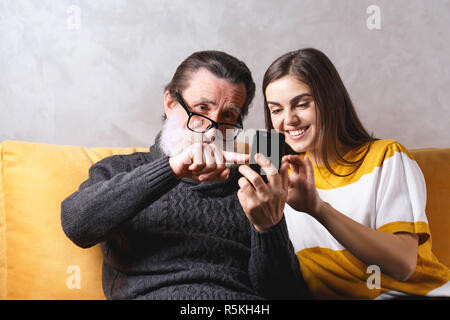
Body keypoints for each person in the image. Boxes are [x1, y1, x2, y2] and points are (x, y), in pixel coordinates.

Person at [60, 50, 310, 300]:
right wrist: (173, 168)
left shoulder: (253, 186)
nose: (211, 129)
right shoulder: (121, 169)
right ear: (170, 103)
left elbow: (286, 295)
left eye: (228, 116)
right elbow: (77, 224)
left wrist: (268, 227)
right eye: (202, 108)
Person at [247, 47, 450, 299]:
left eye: (302, 104)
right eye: (276, 110)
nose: (289, 120)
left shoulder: (385, 156)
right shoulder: (279, 178)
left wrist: (318, 209)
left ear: (330, 101)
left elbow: (403, 264)